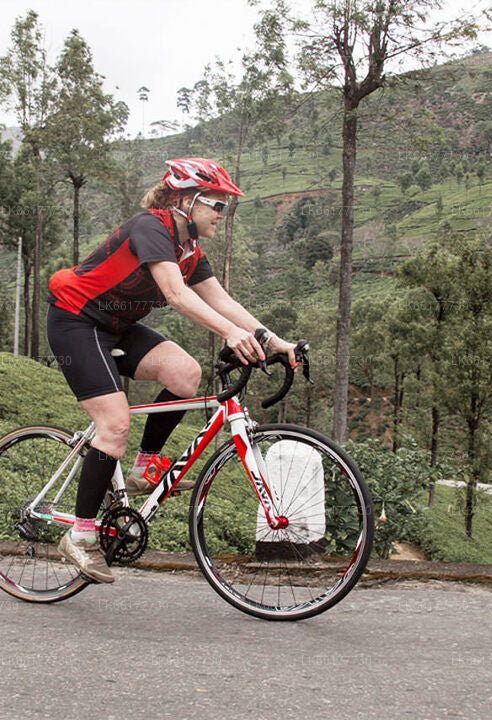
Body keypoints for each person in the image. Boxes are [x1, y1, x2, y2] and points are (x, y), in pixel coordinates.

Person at [46, 157, 297, 583]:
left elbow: (223, 302)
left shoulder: (189, 251)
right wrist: (230, 334)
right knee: (114, 425)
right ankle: (81, 535)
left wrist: (274, 341)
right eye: (216, 205)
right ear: (185, 200)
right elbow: (176, 295)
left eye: (224, 207)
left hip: (116, 326)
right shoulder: (150, 227)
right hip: (76, 321)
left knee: (185, 374)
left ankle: (144, 468)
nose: (222, 214)